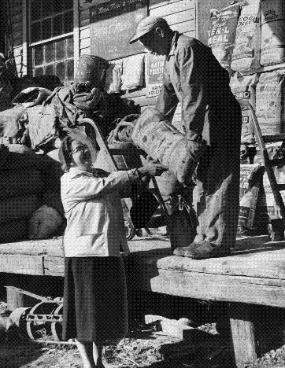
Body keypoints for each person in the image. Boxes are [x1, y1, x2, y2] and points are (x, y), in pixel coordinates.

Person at [129, 16, 242, 259]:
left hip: (219, 113)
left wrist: (191, 138)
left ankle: (217, 241)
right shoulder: (171, 56)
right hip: (205, 116)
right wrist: (150, 129)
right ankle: (204, 236)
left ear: (160, 32)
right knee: (203, 177)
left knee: (219, 176)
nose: (148, 49)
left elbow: (193, 96)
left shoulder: (187, 48)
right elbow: (166, 98)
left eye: (148, 41)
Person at [59, 129, 166, 368]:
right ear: (68, 158)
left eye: (87, 148)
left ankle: (99, 361)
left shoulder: (98, 174)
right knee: (83, 314)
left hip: (107, 250)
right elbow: (107, 184)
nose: (85, 152)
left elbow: (122, 186)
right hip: (84, 253)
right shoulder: (70, 180)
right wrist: (139, 171)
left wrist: (144, 176)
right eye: (78, 150)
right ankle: (88, 364)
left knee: (100, 314)